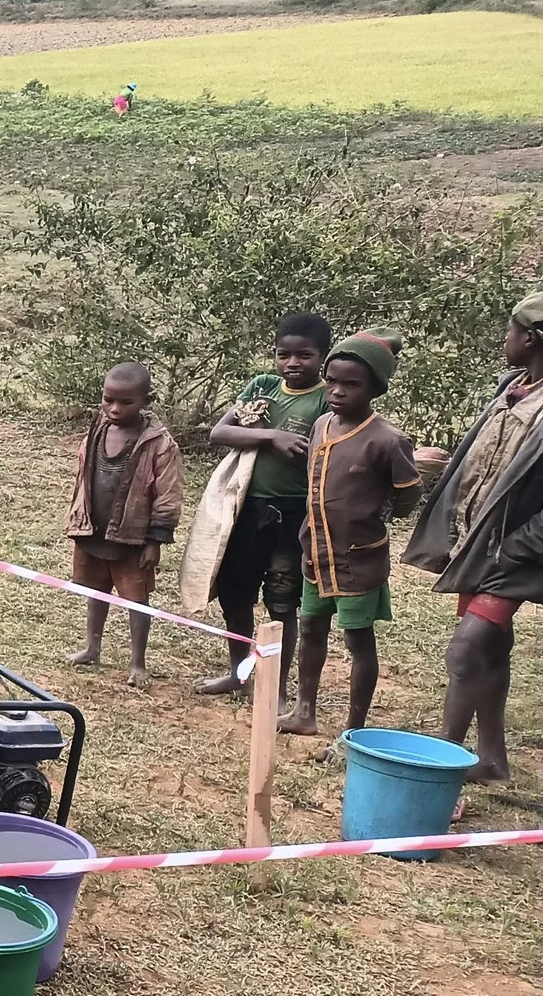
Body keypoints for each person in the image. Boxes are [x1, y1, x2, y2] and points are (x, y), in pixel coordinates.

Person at [404, 293, 543, 783]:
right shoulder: (515, 387)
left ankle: (442, 767)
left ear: (529, 338)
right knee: (492, 647)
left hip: (517, 555)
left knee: (466, 649)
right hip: (481, 545)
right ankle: (491, 758)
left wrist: (515, 547)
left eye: (510, 330)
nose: (504, 339)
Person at [282, 332, 422, 738]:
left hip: (357, 559)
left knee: (358, 640)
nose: (338, 391)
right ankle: (303, 710)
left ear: (375, 388)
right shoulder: (322, 424)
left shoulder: (387, 440)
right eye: (332, 381)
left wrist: (383, 514)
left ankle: (353, 730)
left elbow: (408, 490)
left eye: (351, 384)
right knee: (310, 627)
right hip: (315, 553)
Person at [195, 313, 332, 700]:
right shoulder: (264, 387)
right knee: (235, 594)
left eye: (304, 355)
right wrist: (272, 435)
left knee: (282, 601)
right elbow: (219, 432)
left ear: (322, 356)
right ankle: (239, 675)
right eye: (283, 354)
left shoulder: (327, 399)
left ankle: (275, 687)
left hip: (295, 516)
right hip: (247, 508)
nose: (292, 363)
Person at [64, 361, 182, 687]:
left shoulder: (158, 443)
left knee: (136, 598)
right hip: (94, 529)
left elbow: (168, 495)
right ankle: (92, 647)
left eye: (126, 402)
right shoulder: (97, 429)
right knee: (97, 590)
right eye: (108, 400)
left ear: (146, 400)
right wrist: (78, 516)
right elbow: (82, 475)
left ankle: (137, 662)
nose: (114, 409)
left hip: (132, 536)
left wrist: (155, 540)